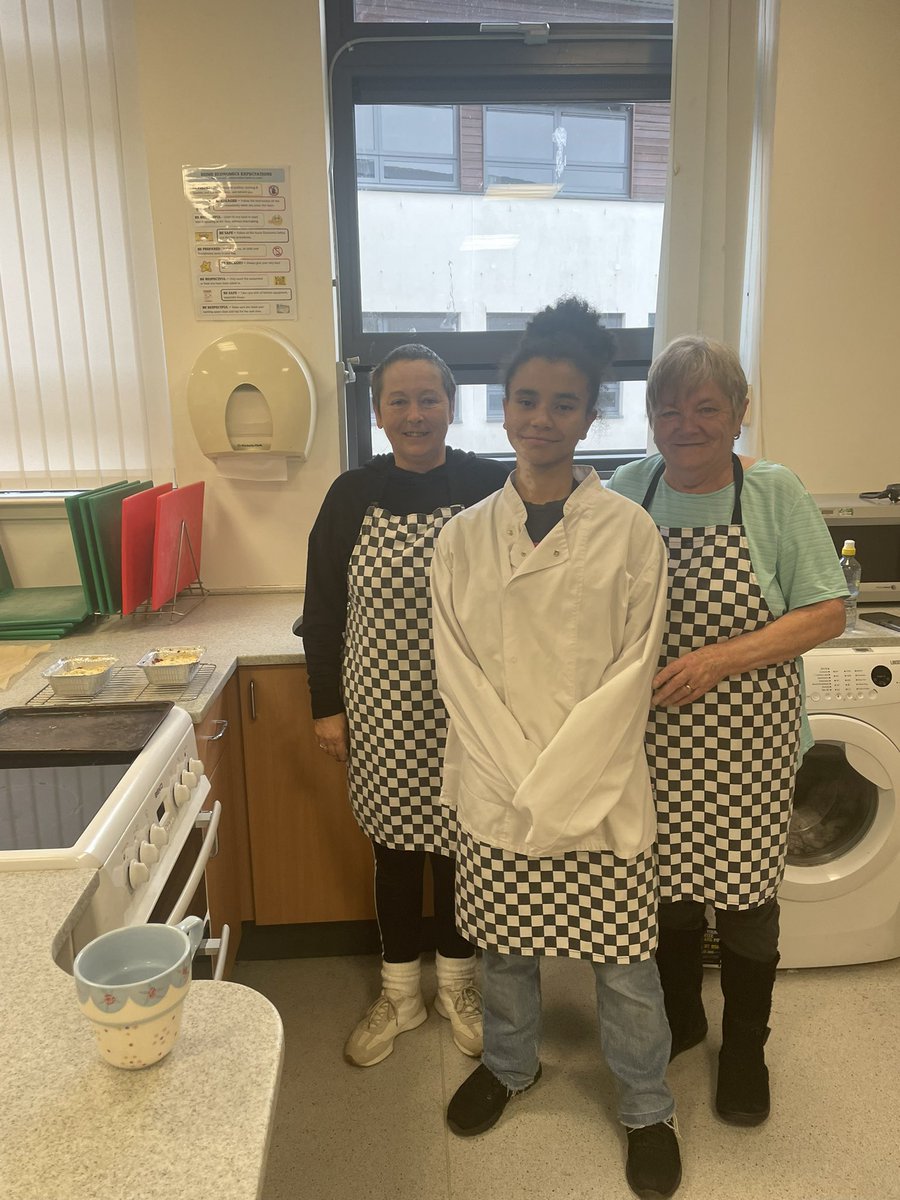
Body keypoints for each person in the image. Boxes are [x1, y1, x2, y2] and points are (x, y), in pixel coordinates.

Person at [431, 298, 683, 1200]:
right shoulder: (460, 540)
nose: (542, 419)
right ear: (503, 406)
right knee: (504, 953)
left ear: (589, 416)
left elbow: (629, 678)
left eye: (563, 404)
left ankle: (648, 1107)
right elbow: (457, 673)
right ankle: (509, 1067)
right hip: (496, 784)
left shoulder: (630, 534)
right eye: (527, 399)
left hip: (600, 784)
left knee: (623, 968)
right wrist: (522, 782)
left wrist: (559, 784)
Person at [608, 335, 847, 1127]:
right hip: (651, 744)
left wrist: (719, 659)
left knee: (745, 900)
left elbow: (825, 612)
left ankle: (746, 1045)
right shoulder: (628, 489)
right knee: (666, 894)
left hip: (747, 740)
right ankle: (685, 1017)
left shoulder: (774, 492)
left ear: (739, 416)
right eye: (669, 408)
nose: (686, 424)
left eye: (707, 407)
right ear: (650, 418)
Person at [299, 344, 508, 1068]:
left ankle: (457, 986)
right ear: (378, 412)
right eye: (400, 401)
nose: (415, 414)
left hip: (470, 710)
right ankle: (399, 994)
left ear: (451, 405)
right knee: (394, 849)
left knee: (462, 849)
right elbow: (323, 609)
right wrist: (327, 706)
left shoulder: (490, 484)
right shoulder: (350, 495)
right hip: (381, 707)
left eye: (429, 398)